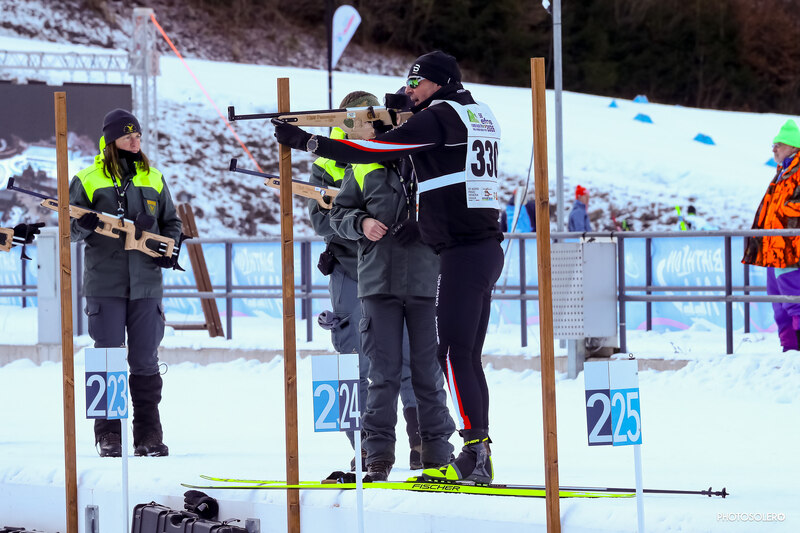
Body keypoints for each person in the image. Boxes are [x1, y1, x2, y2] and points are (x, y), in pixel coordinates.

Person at [274, 50, 504, 484]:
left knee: (449, 357)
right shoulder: (477, 114)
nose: (410, 91)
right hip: (474, 247)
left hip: (459, 251)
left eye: (416, 83)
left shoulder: (439, 118)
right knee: (459, 356)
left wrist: (307, 141)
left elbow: (369, 150)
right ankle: (475, 452)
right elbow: (404, 159)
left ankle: (474, 453)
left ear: (438, 83)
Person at [328, 93, 455, 481]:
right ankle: (377, 455)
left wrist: (425, 224)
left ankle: (437, 453)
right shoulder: (363, 164)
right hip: (378, 282)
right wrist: (361, 223)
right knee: (381, 374)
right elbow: (339, 214)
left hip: (423, 280)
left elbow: (452, 209)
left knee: (427, 373)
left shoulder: (430, 160)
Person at [309, 90, 425, 471]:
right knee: (354, 360)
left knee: (405, 357)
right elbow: (321, 219)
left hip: (390, 267)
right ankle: (364, 447)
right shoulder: (326, 161)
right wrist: (360, 223)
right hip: (349, 268)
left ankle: (420, 442)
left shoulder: (397, 149)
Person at [70, 108, 182, 457]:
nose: (136, 142)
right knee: (107, 359)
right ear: (111, 141)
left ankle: (149, 435)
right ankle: (108, 435)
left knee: (145, 359)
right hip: (105, 283)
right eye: (128, 136)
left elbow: (172, 222)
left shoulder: (154, 177)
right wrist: (83, 225)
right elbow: (68, 231)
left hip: (146, 284)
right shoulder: (87, 179)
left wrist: (169, 249)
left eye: (138, 136)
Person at [743, 119, 800, 352]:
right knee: (778, 303)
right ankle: (789, 351)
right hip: (774, 248)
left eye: (779, 144)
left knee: (794, 301)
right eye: (773, 145)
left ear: (793, 146)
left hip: (791, 249)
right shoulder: (782, 172)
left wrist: (786, 211)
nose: (774, 149)